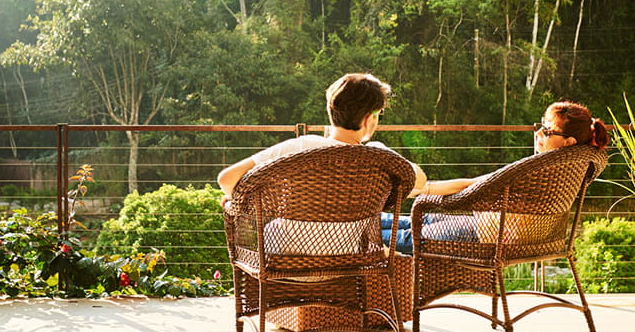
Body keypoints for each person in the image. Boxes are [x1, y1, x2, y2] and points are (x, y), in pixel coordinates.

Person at [379, 100, 611, 254]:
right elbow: (479, 184)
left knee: (396, 234)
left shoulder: (537, 169)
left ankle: (352, 227)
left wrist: (424, 190)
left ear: (568, 142)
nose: (539, 133)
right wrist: (424, 189)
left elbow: (475, 185)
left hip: (496, 237)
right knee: (411, 220)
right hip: (493, 228)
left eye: (548, 131)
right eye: (541, 126)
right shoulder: (572, 163)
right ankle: (359, 222)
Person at [217, 72, 427, 203]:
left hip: (281, 258)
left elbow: (226, 180)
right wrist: (385, 153)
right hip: (349, 257)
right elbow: (419, 179)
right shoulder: (378, 156)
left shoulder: (302, 147)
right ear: (366, 119)